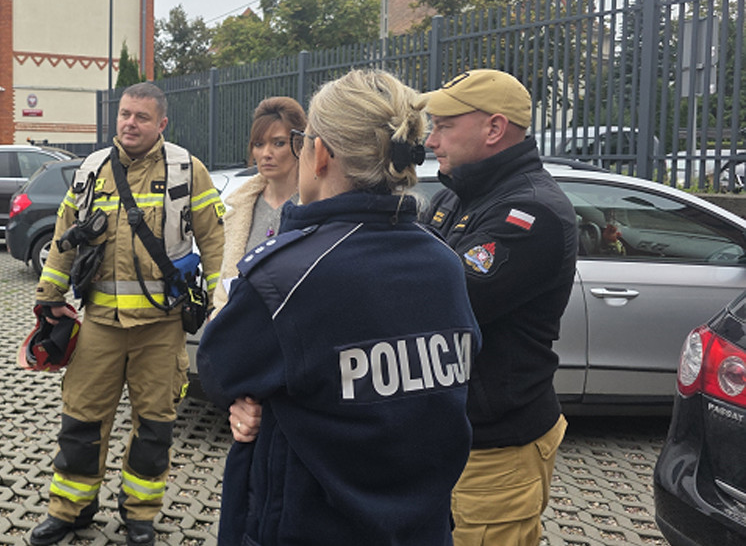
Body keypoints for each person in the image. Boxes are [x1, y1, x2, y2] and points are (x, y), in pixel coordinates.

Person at [196, 69, 481, 545]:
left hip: (309, 523)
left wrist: (265, 398)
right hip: (421, 526)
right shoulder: (442, 261)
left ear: (320, 152)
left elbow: (220, 368)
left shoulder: (288, 276)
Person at [29, 82, 225, 546]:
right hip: (99, 323)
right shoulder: (93, 170)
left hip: (161, 328)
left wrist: (219, 307)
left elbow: (215, 241)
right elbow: (64, 235)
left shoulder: (186, 169)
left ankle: (139, 513)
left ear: (162, 124)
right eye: (124, 115)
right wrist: (49, 294)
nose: (129, 124)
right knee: (81, 419)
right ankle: (70, 508)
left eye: (141, 117)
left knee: (154, 424)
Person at [420, 69, 579, 546]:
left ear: (493, 128)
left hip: (495, 446)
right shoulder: (454, 197)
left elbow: (440, 303)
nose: (430, 141)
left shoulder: (531, 213)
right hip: (451, 434)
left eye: (444, 126)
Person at [211, 96, 305, 316]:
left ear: (300, 145)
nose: (265, 154)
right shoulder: (241, 206)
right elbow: (226, 282)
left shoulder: (313, 205)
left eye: (278, 143)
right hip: (243, 336)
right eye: (259, 144)